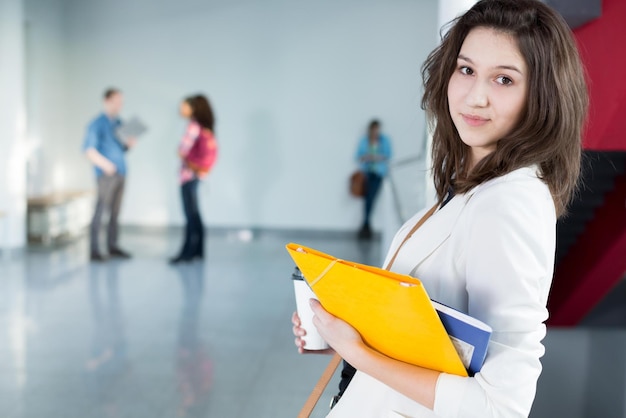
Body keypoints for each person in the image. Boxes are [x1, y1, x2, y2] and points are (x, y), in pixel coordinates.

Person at [292, 0, 588, 416]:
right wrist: (343, 331)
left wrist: (357, 353)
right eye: (466, 70)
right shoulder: (469, 186)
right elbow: (440, 347)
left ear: (541, 95)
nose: (475, 96)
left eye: (504, 79)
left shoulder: (509, 203)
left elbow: (499, 405)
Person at [83, 88, 136, 262]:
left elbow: (122, 148)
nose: (120, 105)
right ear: (106, 101)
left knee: (115, 212)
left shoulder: (120, 123)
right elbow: (89, 151)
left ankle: (112, 247)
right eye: (116, 101)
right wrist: (106, 165)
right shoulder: (96, 124)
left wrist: (129, 144)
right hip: (106, 174)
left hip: (121, 172)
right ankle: (94, 251)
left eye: (122, 102)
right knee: (100, 211)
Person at [169, 95, 217, 264]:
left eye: (183, 106)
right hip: (199, 175)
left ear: (193, 108)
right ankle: (198, 251)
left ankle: (186, 253)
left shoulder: (193, 126)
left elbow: (182, 150)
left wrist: (181, 153)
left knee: (190, 216)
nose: (180, 110)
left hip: (188, 176)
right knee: (196, 215)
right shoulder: (206, 127)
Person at [355, 120, 392, 239]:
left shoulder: (384, 140)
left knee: (371, 198)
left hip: (378, 174)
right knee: (368, 199)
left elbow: (388, 155)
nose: (376, 131)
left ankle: (366, 224)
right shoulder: (365, 141)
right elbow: (358, 156)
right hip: (367, 173)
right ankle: (366, 224)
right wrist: (367, 157)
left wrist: (374, 157)